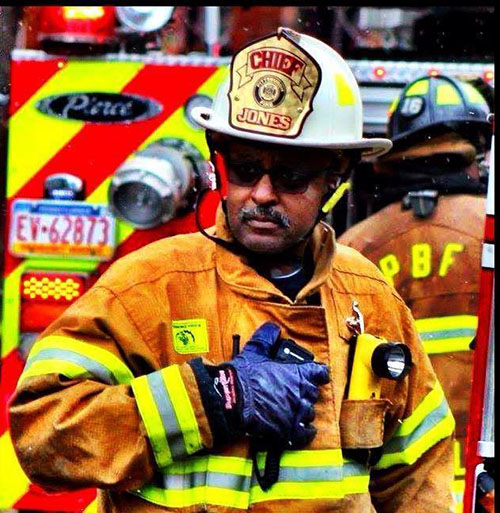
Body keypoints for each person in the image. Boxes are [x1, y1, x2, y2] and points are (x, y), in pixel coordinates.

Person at [9, 28, 455, 513]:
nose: (261, 194)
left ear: (336, 177)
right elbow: (43, 437)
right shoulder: (147, 287)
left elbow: (418, 477)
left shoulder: (369, 299)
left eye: (290, 176)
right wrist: (214, 398)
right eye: (244, 169)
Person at [338, 74, 492, 509]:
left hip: (400, 484)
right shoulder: (490, 234)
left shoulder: (352, 248)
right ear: (474, 152)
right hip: (485, 480)